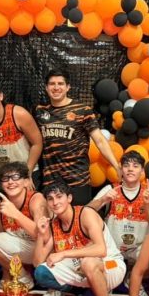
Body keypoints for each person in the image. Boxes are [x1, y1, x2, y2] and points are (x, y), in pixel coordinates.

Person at [33, 181, 126, 296]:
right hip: (82, 268)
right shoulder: (54, 224)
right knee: (42, 273)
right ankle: (87, 295)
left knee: (88, 263)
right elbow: (37, 263)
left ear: (69, 198)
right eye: (50, 199)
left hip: (111, 264)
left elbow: (101, 250)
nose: (55, 202)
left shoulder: (85, 214)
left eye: (59, 197)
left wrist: (63, 254)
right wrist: (41, 235)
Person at [35, 69, 121, 204]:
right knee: (53, 217)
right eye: (52, 84)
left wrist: (116, 165)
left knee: (79, 216)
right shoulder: (40, 111)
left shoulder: (82, 110)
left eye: (60, 83)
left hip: (77, 180)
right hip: (51, 181)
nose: (56, 87)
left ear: (68, 87)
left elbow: (100, 140)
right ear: (46, 87)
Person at [88, 150, 149, 296]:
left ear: (142, 171)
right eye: (126, 166)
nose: (130, 169)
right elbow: (85, 212)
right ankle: (108, 280)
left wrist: (147, 205)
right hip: (113, 249)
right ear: (121, 170)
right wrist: (103, 200)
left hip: (138, 248)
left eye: (135, 166)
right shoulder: (110, 189)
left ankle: (133, 278)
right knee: (93, 253)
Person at [0, 161, 47, 289]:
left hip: (44, 249)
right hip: (22, 250)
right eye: (6, 178)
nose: (10, 182)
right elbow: (1, 247)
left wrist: (16, 214)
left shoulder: (36, 199)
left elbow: (44, 236)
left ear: (26, 182)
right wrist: (7, 275)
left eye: (16, 177)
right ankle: (22, 276)